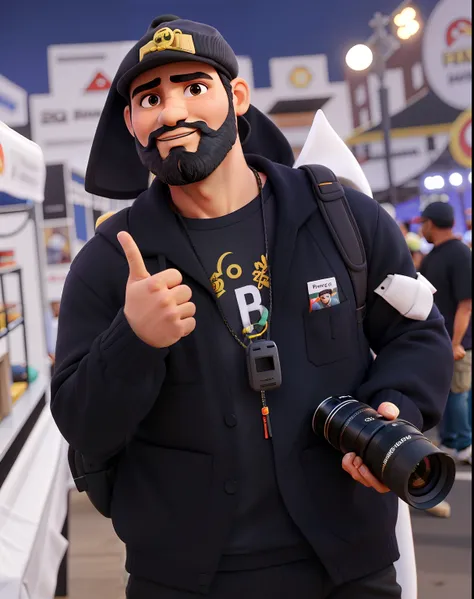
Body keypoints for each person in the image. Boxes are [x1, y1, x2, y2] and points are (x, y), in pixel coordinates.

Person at [51, 15, 453, 599]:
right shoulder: (111, 262)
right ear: (131, 124)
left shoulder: (342, 218)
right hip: (185, 577)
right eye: (149, 99)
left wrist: (396, 405)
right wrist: (132, 340)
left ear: (236, 96)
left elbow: (418, 334)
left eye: (194, 87)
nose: (171, 113)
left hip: (348, 564)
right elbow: (83, 423)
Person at [418, 201, 472, 466]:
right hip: (441, 340)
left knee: (459, 391)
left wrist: (456, 342)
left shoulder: (460, 253)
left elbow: (466, 303)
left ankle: (463, 444)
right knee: (449, 392)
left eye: (423, 223)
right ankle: (452, 441)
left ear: (432, 223)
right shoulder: (434, 256)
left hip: (459, 341)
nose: (422, 229)